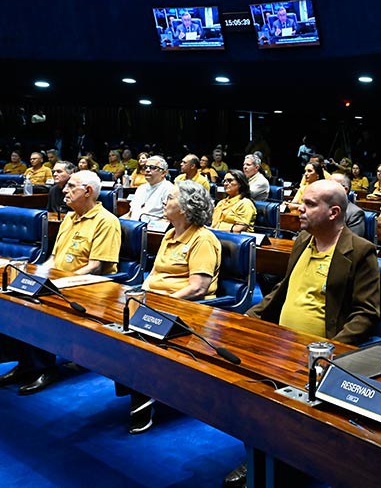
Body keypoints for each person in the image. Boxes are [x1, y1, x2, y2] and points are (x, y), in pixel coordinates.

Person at [225, 179, 381, 487]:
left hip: (319, 353)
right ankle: (260, 452)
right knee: (248, 392)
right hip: (280, 342)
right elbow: (283, 291)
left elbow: (366, 313)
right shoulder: (301, 241)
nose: (299, 208)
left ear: (334, 212)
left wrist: (328, 351)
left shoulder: (360, 251)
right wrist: (249, 317)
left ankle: (285, 461)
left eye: (309, 204)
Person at [0, 170, 120, 396]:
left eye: (71, 186)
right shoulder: (69, 218)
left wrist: (58, 283)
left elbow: (96, 267)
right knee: (12, 299)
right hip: (59, 282)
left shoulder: (107, 222)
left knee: (36, 307)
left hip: (88, 288)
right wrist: (39, 275)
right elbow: (54, 258)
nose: (64, 190)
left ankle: (43, 368)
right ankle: (25, 363)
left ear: (88, 191)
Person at [130, 180, 221, 434]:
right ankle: (138, 389)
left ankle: (144, 399)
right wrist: (140, 296)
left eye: (169, 198)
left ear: (185, 207)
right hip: (156, 305)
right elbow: (153, 275)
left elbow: (198, 288)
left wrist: (159, 305)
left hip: (187, 310)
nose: (164, 202)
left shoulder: (203, 239)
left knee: (137, 338)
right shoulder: (170, 234)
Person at [122, 156, 173, 223]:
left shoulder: (169, 189)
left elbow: (167, 219)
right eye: (146, 167)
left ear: (163, 173)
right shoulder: (141, 188)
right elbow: (130, 213)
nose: (147, 170)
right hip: (133, 226)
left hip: (152, 230)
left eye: (153, 167)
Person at [330, 173, 366, 237]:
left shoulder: (354, 214)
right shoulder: (320, 207)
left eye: (330, 185)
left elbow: (353, 244)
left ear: (345, 190)